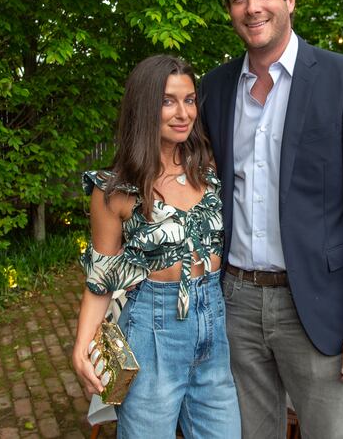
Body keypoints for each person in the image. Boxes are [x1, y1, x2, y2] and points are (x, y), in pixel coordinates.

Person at [200, 0, 343, 438]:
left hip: (315, 305)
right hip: (235, 303)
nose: (252, 7)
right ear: (230, 9)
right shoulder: (214, 89)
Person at [72, 55, 240, 438]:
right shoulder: (114, 188)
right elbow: (102, 277)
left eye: (190, 99)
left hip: (214, 327)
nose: (183, 113)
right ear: (144, 105)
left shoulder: (210, 168)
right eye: (168, 101)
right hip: (152, 329)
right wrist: (82, 345)